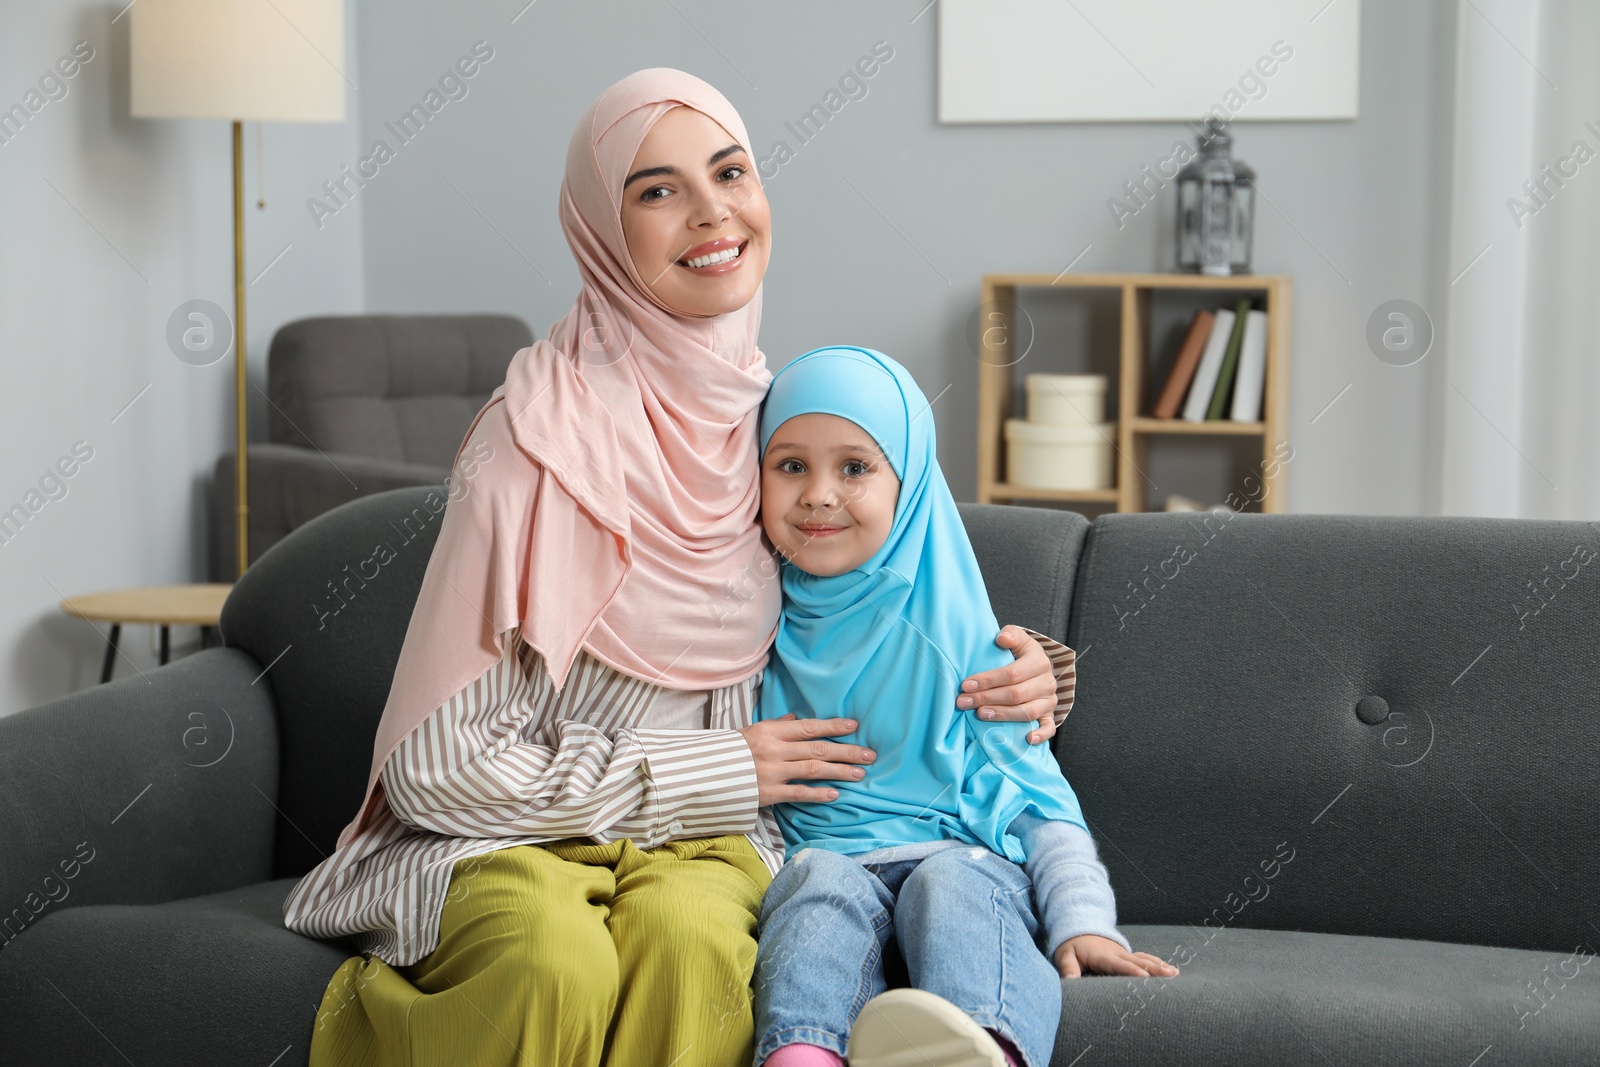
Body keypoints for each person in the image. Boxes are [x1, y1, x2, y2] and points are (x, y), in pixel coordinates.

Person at [280, 69, 1078, 1067]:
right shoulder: (530, 441)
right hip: (501, 835)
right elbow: (436, 768)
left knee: (696, 949)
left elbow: (888, 599)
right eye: (656, 189)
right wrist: (719, 765)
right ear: (600, 232)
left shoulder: (777, 430)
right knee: (547, 957)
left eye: (730, 171)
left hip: (711, 845)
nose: (711, 211)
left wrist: (1030, 672)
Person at [749, 347, 1179, 1067]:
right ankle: (801, 1054)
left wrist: (1084, 923)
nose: (819, 493)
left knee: (949, 885)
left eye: (855, 467)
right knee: (816, 884)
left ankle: (986, 1049)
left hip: (962, 857)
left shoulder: (967, 650)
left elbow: (1040, 807)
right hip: (823, 859)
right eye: (790, 465)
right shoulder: (747, 626)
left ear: (910, 481)